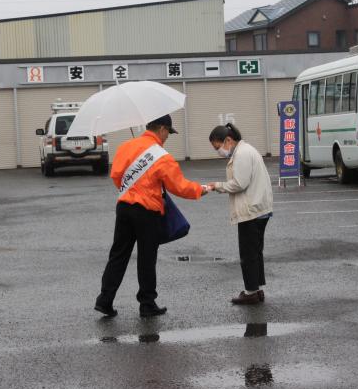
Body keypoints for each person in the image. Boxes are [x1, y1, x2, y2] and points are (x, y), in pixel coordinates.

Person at [95, 114, 208, 318]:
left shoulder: (125, 146)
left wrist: (132, 190)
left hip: (124, 207)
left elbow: (116, 176)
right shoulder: (161, 156)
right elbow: (179, 186)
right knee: (147, 257)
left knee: (118, 255)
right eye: (168, 133)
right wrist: (201, 189)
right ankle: (147, 304)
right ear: (162, 129)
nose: (167, 138)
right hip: (147, 211)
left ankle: (105, 300)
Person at [207, 123, 273, 305]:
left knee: (248, 252)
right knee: (255, 251)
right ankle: (256, 289)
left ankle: (251, 292)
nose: (219, 151)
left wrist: (216, 186)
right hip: (258, 207)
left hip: (251, 210)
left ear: (228, 140)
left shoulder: (242, 153)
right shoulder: (245, 150)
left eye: (218, 147)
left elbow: (239, 183)